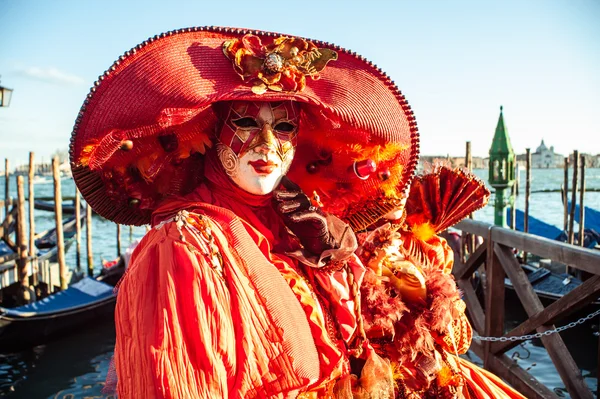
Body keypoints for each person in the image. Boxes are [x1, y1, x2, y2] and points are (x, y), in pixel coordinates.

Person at [69, 27, 419, 398]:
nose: (267, 145)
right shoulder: (182, 247)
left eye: (283, 127)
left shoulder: (295, 228)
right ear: (209, 132)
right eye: (247, 123)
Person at [326, 164, 527, 398]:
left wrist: (426, 296)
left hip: (443, 381)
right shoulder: (335, 252)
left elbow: (460, 342)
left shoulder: (425, 247)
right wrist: (372, 280)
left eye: (406, 180)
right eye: (388, 178)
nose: (402, 190)